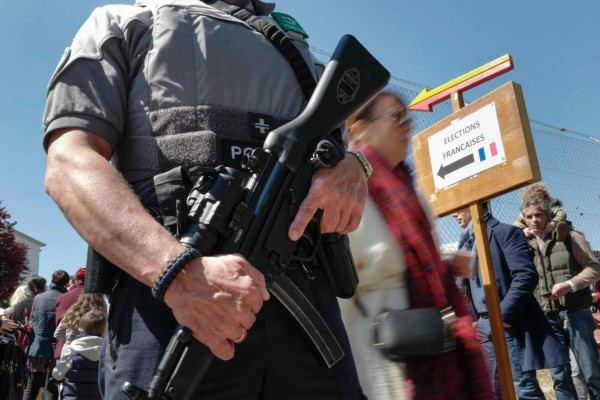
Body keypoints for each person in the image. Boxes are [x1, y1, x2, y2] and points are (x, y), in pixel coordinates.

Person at [43, 1, 370, 399]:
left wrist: (354, 166)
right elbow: (68, 163)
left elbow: (336, 148)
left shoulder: (295, 45)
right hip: (174, 303)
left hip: (307, 305)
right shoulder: (122, 23)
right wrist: (178, 274)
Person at [339, 91, 492, 399]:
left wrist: (443, 267)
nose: (407, 126)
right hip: (385, 356)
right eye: (396, 117)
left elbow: (412, 264)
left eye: (407, 118)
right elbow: (337, 287)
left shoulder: (409, 190)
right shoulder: (347, 188)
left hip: (432, 345)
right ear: (359, 129)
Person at [452, 204, 572, 400]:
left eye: (459, 208)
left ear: (475, 206)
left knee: (523, 388)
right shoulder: (466, 244)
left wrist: (502, 316)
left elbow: (525, 276)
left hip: (507, 324)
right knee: (492, 389)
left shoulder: (504, 233)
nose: (454, 213)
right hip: (482, 324)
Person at [522, 197, 600, 399]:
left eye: (539, 214)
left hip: (577, 313)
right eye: (529, 216)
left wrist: (570, 285)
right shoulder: (525, 244)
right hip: (547, 317)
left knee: (590, 370)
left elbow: (595, 268)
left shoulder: (570, 236)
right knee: (559, 375)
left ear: (548, 214)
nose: (534, 220)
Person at [24, 270, 70, 400]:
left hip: (36, 347)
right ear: (66, 284)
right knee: (50, 387)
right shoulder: (63, 298)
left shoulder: (38, 297)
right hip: (53, 348)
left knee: (31, 387)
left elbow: (33, 319)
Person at [53, 309, 107, 400]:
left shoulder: (72, 350)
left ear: (81, 330)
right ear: (103, 331)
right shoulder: (106, 352)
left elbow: (57, 374)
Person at [54, 267, 86, 359]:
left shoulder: (63, 297)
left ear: (76, 279)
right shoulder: (95, 297)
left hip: (64, 350)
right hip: (91, 352)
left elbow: (58, 330)